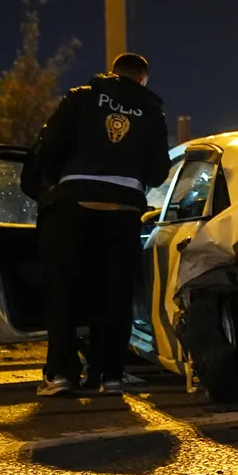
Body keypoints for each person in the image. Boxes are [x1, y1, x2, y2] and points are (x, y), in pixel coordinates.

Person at [22, 53, 171, 396]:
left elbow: (48, 147)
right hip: (123, 213)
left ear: (112, 73)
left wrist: (56, 184)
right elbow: (158, 172)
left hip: (73, 207)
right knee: (116, 295)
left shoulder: (81, 96)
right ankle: (111, 376)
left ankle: (59, 375)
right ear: (142, 80)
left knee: (63, 291)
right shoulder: (151, 111)